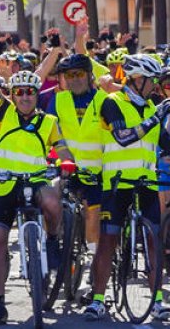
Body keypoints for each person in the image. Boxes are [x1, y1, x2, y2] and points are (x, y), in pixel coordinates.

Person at [0, 41, 68, 326]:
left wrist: (66, 163)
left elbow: (62, 149)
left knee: (53, 201)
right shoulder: (4, 110)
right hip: (1, 184)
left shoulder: (48, 121)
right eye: (20, 93)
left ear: (37, 95)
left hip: (36, 179)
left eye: (30, 92)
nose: (26, 97)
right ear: (13, 96)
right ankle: (0, 303)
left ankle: (52, 240)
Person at [83, 54, 170, 321]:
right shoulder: (112, 103)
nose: (156, 87)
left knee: (153, 242)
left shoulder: (151, 106)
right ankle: (98, 300)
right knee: (108, 241)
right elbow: (123, 137)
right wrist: (155, 118)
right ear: (137, 79)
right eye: (152, 81)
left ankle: (158, 301)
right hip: (117, 184)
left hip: (147, 183)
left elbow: (167, 145)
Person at [49, 53, 106, 269]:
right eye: (68, 75)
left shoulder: (104, 100)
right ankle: (52, 243)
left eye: (79, 74)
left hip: (97, 170)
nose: (74, 79)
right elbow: (48, 131)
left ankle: (92, 263)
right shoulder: (58, 100)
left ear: (90, 75)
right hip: (66, 169)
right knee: (49, 198)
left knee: (93, 213)